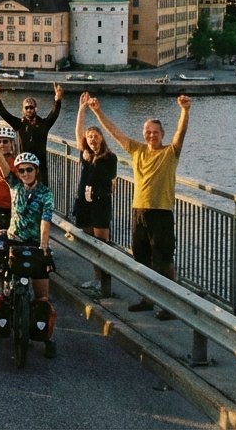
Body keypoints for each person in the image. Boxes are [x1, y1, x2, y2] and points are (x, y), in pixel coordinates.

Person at [87, 93, 191, 320]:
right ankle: (147, 299)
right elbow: (115, 133)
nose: (151, 135)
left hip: (161, 211)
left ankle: (170, 305)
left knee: (164, 259)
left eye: (156, 132)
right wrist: (97, 111)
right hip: (139, 210)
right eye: (148, 132)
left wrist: (184, 111)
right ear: (144, 134)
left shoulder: (169, 153)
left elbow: (180, 134)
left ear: (162, 135)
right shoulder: (137, 150)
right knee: (142, 257)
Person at [0, 150, 57, 357]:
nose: (25, 173)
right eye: (21, 171)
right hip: (14, 241)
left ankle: (46, 337)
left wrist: (44, 245)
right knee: (4, 284)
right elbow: (1, 162)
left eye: (29, 170)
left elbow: (45, 219)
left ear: (36, 171)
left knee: (42, 296)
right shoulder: (15, 186)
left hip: (35, 244)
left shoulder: (46, 193)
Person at [73, 94, 118, 295]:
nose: (92, 139)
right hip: (85, 204)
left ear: (101, 138)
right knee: (91, 244)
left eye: (95, 136)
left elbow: (111, 181)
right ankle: (97, 279)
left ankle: (105, 285)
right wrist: (82, 109)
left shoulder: (109, 158)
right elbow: (78, 133)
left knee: (103, 246)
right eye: (89, 137)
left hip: (100, 205)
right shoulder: (85, 154)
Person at [0, 82, 63, 181]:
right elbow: (5, 115)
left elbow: (54, 114)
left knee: (41, 195)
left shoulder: (44, 124)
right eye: (26, 107)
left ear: (35, 108)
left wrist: (58, 100)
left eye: (31, 107)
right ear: (23, 110)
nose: (29, 110)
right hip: (23, 168)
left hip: (39, 169)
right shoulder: (19, 124)